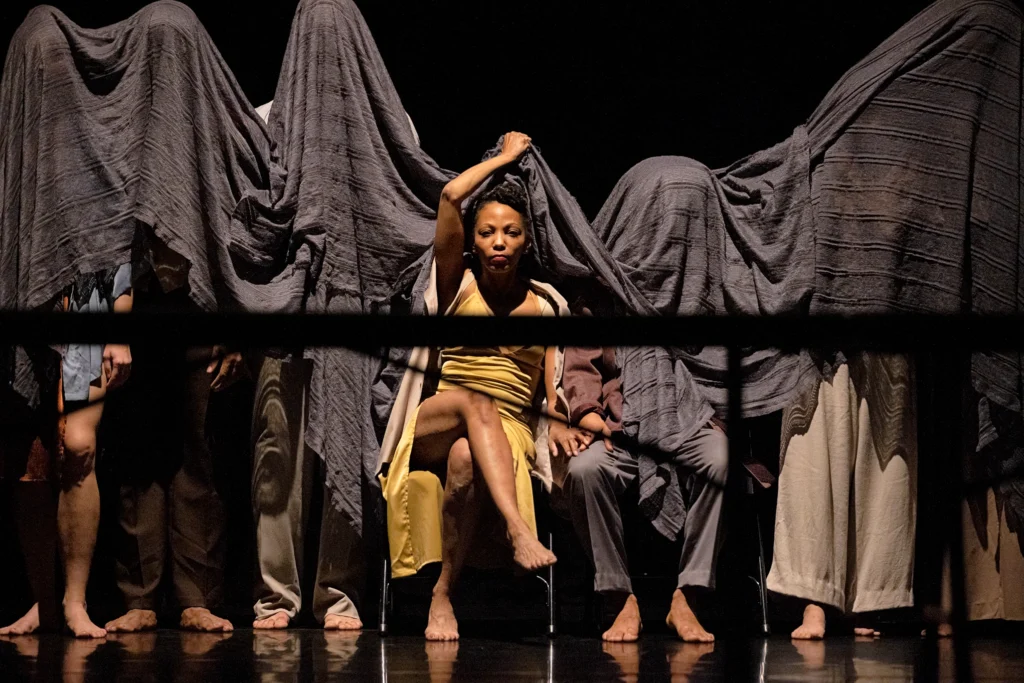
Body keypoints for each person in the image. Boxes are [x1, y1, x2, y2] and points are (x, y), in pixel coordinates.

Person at [380, 132, 565, 641]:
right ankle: (516, 529)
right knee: (473, 405)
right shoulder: (455, 282)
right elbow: (449, 198)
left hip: (507, 434)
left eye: (510, 232)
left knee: (466, 458)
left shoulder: (547, 307)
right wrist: (505, 159)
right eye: (487, 232)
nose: (498, 242)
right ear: (474, 239)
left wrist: (566, 419)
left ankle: (442, 595)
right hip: (440, 415)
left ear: (527, 241)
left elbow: (553, 394)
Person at [550, 342, 728, 643]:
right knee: (585, 470)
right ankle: (618, 597)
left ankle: (689, 595)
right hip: (620, 426)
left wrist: (715, 414)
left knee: (721, 461)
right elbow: (580, 367)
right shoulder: (603, 302)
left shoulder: (690, 296)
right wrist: (590, 416)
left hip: (687, 422)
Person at [1, 265, 134, 638]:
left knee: (79, 447)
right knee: (31, 461)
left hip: (85, 308)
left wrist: (119, 336)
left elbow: (120, 254)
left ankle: (74, 600)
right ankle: (43, 602)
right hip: (24, 304)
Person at [768, 352, 917, 639]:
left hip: (885, 332)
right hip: (821, 335)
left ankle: (869, 598)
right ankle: (815, 599)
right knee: (814, 464)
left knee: (882, 467)